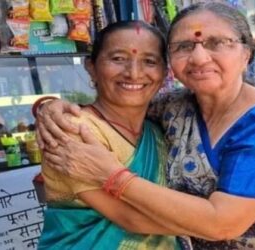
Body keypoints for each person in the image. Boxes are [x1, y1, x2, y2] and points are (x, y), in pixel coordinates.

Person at [36, 2, 255, 249]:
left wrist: (112, 175)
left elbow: (222, 224)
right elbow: (121, 103)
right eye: (184, 46)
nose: (200, 57)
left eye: (217, 43)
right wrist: (46, 107)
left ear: (247, 53)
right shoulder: (172, 108)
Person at [38, 20, 182, 249]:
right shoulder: (72, 130)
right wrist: (222, 223)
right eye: (118, 59)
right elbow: (132, 219)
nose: (134, 73)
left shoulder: (159, 128)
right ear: (91, 66)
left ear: (165, 72)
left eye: (149, 61)